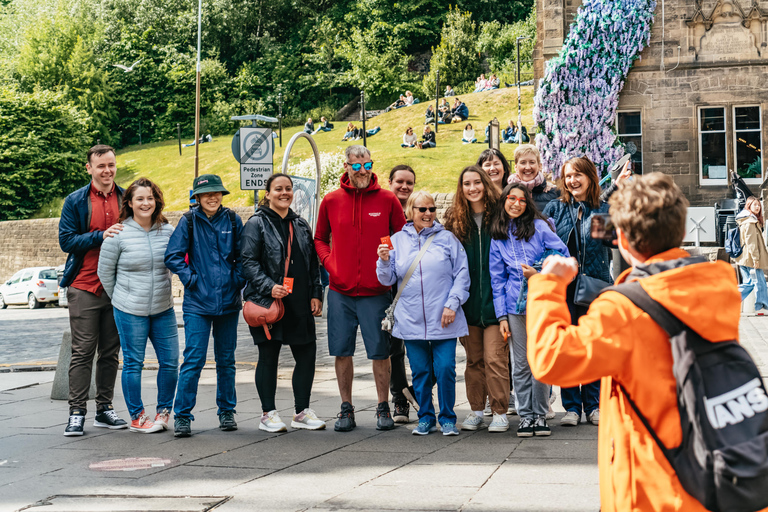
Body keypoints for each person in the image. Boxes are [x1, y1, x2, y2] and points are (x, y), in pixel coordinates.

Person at [527, 173, 741, 510]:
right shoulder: (719, 286)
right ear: (680, 229)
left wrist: (547, 286)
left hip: (653, 486)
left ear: (622, 239)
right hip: (711, 473)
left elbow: (551, 360)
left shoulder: (625, 307)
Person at [314, 145, 407, 432]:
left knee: (380, 352)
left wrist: (389, 262)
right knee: (342, 351)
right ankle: (346, 408)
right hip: (341, 291)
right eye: (356, 166)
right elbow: (319, 238)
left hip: (376, 291)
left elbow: (403, 238)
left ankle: (382, 406)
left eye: (367, 165)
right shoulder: (331, 201)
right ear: (346, 167)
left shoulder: (388, 199)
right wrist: (332, 265)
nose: (362, 171)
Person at [543, 156, 630, 427]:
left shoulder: (601, 208)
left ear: (591, 177)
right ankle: (571, 407)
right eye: (568, 176)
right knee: (568, 347)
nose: (573, 180)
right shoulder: (556, 209)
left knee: (592, 346)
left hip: (596, 285)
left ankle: (593, 405)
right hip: (564, 288)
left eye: (578, 175)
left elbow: (612, 244)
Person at [376, 191, 470, 436]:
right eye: (422, 209)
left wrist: (453, 304)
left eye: (431, 209)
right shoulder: (396, 240)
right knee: (420, 372)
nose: (428, 214)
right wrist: (384, 261)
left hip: (444, 317)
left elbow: (462, 274)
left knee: (446, 368)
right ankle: (426, 417)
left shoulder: (448, 239)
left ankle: (448, 418)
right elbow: (387, 279)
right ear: (411, 212)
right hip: (411, 318)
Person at [241, 174, 325, 432]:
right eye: (278, 189)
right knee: (268, 356)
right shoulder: (256, 223)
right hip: (269, 301)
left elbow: (311, 263)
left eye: (288, 189)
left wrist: (316, 293)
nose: (284, 193)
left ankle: (301, 412)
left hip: (299, 300)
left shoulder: (300, 224)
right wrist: (269, 286)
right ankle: (268, 414)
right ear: (268, 194)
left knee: (307, 354)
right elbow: (248, 261)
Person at [165, 174, 244, 437]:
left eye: (217, 192)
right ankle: (183, 416)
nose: (213, 197)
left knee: (226, 360)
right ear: (196, 197)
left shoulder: (233, 220)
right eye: (207, 193)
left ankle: (227, 412)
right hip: (198, 302)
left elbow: (245, 255)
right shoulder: (188, 221)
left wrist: (237, 279)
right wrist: (191, 279)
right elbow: (173, 256)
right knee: (194, 359)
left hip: (229, 301)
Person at [97, 178, 177, 434]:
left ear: (157, 201)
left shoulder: (168, 230)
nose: (145, 203)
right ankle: (137, 416)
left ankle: (163, 412)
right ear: (129, 203)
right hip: (130, 310)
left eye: (150, 198)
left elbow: (177, 262)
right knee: (133, 363)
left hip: (163, 307)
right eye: (140, 199)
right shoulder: (118, 233)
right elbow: (105, 273)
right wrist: (123, 298)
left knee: (171, 362)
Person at [489, 183, 569, 437]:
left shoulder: (540, 227)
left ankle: (541, 413)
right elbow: (497, 279)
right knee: (521, 363)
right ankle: (526, 416)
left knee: (541, 360)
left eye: (521, 200)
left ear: (527, 204)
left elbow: (562, 255)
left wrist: (540, 273)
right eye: (511, 198)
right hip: (514, 307)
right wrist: (502, 316)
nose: (516, 203)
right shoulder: (498, 234)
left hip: (541, 303)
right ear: (504, 201)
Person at [59, 144, 128, 436]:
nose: (107, 171)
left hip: (118, 288)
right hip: (85, 286)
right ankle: (76, 413)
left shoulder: (127, 197)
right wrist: (101, 235)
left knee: (111, 353)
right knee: (82, 352)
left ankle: (104, 408)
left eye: (111, 165)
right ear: (89, 168)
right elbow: (67, 241)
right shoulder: (75, 201)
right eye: (101, 166)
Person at [444, 166, 509, 432]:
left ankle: (500, 411)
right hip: (468, 305)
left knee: (495, 359)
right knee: (473, 361)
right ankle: (475, 410)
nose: (472, 188)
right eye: (467, 184)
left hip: (496, 304)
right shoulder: (456, 221)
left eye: (477, 183)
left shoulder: (500, 216)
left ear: (485, 184)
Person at [387, 165, 418, 422]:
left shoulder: (421, 212)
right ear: (390, 182)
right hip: (389, 292)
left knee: (422, 346)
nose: (404, 186)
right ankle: (399, 397)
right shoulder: (383, 208)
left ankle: (419, 393)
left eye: (409, 182)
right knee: (393, 348)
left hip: (418, 293)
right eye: (399, 181)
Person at [733, 196, 768, 310]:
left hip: (745, 258)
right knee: (760, 282)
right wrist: (756, 260)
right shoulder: (750, 222)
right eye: (755, 205)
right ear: (749, 206)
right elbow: (751, 243)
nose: (757, 207)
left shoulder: (746, 219)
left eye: (759, 205)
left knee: (749, 283)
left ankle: (728, 299)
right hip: (751, 259)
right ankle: (762, 305)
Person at [510, 144, 560, 212]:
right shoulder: (507, 191)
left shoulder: (553, 192)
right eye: (523, 163)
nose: (527, 167)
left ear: (539, 166)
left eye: (532, 162)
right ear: (516, 167)